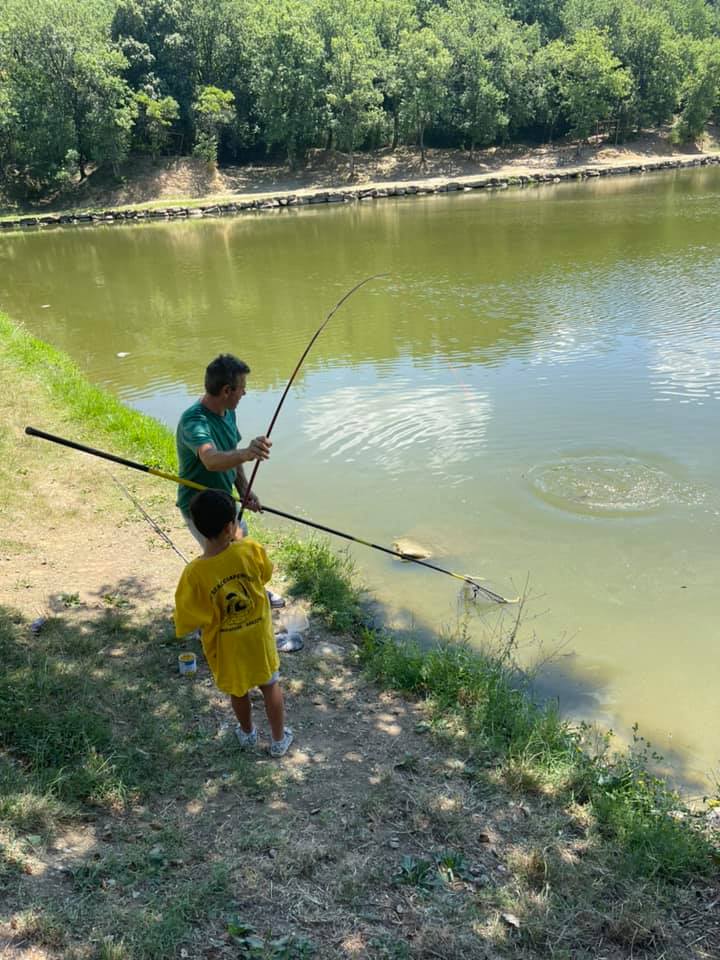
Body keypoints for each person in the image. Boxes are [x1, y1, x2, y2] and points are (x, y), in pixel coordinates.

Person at [174, 489, 293, 757]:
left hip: (227, 645)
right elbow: (265, 574)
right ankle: (278, 740)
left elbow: (188, 617)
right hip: (258, 639)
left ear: (198, 528)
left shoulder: (193, 574)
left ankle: (248, 734)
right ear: (231, 526)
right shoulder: (250, 549)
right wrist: (238, 542)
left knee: (238, 690)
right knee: (269, 684)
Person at [176, 353, 284, 607]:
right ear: (227, 390)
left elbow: (230, 454)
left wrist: (244, 490)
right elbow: (211, 459)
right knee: (224, 561)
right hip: (200, 507)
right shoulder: (195, 421)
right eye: (242, 388)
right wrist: (248, 453)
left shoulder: (227, 412)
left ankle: (251, 591)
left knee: (239, 546)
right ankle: (213, 615)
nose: (245, 393)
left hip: (224, 502)